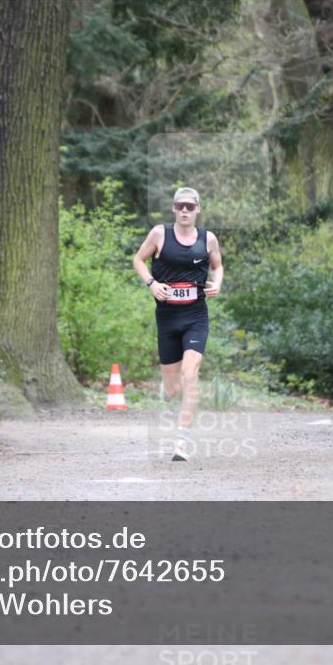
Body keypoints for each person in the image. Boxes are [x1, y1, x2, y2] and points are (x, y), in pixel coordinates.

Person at [133, 187, 223, 461]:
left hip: (196, 317)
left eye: (190, 206)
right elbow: (138, 260)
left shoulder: (208, 239)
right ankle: (175, 389)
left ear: (198, 209)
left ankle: (181, 443)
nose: (185, 210)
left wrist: (217, 283)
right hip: (167, 318)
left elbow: (218, 266)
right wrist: (152, 283)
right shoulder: (160, 234)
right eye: (180, 206)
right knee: (173, 388)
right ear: (174, 208)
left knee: (190, 373)